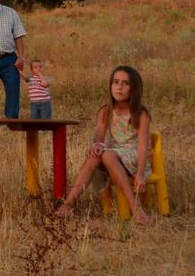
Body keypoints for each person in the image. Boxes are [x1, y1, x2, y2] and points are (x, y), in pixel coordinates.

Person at [56, 66, 153, 223]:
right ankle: (68, 204)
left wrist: (140, 174)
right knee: (95, 155)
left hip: (134, 157)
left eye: (125, 83)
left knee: (107, 153)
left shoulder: (140, 114)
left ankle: (137, 211)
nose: (119, 87)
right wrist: (97, 144)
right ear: (110, 85)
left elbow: (143, 147)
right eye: (115, 82)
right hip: (113, 155)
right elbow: (99, 135)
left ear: (133, 88)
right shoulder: (106, 110)